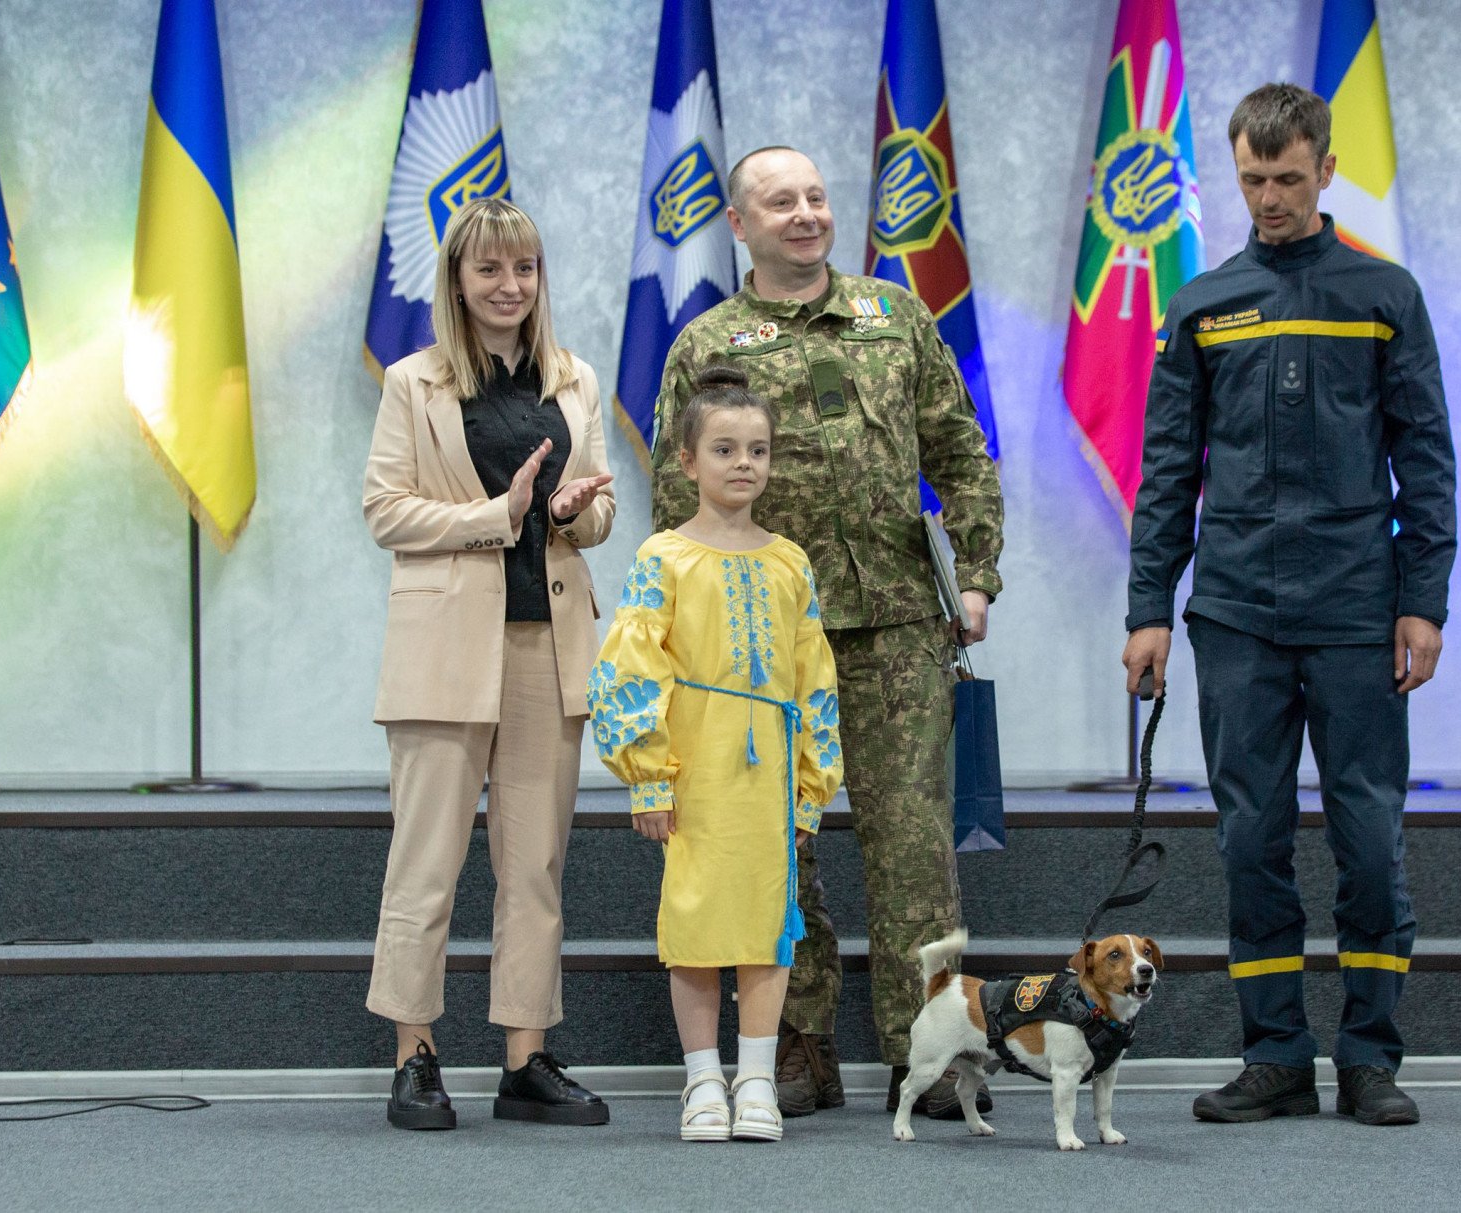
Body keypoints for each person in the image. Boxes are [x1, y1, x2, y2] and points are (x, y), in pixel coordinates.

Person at [1121, 83, 1456, 1128]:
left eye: (1286, 177)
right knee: (1248, 838)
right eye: (1251, 179)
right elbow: (1167, 467)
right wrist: (1146, 607)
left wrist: (1423, 601)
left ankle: (1368, 1057)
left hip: (1358, 609)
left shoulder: (1382, 292)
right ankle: (1273, 1054)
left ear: (1325, 170)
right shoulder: (1202, 301)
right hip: (1234, 615)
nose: (1268, 197)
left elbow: (1426, 459)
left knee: (1366, 838)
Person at [649, 147, 1004, 1119]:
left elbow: (961, 450)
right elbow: (674, 499)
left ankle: (926, 1048)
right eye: (779, 201)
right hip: (759, 646)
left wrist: (972, 577)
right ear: (738, 222)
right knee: (775, 845)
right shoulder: (708, 342)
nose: (804, 213)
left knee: (913, 849)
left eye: (815, 195)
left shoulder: (894, 318)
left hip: (894, 623)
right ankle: (794, 1046)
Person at [363, 196, 616, 1131]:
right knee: (424, 862)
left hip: (546, 646)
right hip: (442, 649)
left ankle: (524, 1056)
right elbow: (385, 509)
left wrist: (564, 513)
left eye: (526, 269)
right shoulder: (414, 382)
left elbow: (595, 514)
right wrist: (494, 516)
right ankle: (415, 1053)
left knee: (535, 864)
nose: (510, 286)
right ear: (458, 282)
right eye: (490, 270)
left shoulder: (575, 378)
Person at [591, 365, 843, 1143]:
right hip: (694, 769)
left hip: (768, 770)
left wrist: (809, 790)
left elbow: (815, 677)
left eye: (759, 449)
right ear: (687, 461)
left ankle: (758, 1079)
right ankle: (703, 1080)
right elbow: (631, 666)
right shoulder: (662, 557)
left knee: (770, 921)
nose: (744, 463)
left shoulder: (790, 562)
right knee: (697, 923)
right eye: (726, 448)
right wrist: (648, 777)